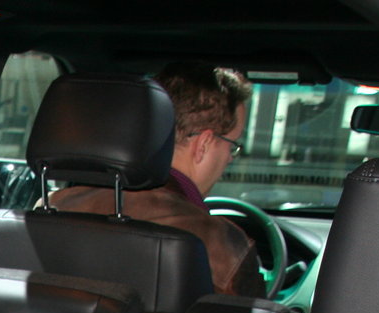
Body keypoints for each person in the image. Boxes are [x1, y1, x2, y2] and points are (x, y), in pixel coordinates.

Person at [50, 62, 262, 296]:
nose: (230, 158)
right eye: (232, 145)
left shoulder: (53, 208)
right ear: (203, 144)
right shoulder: (221, 245)